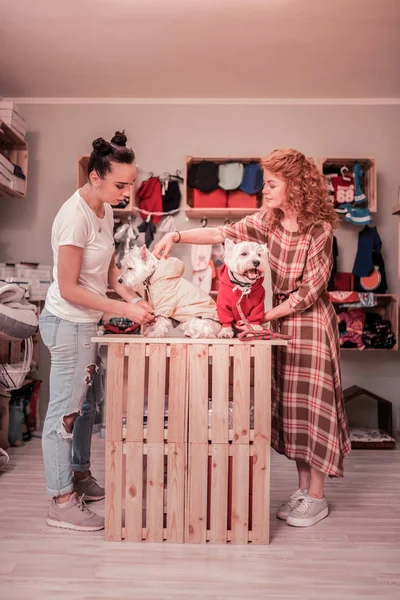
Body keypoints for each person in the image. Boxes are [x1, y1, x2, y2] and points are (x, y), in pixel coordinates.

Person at [154, 149, 351, 528]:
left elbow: (310, 291)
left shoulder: (319, 231)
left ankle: (318, 496)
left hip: (311, 326)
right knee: (290, 408)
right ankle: (302, 487)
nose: (265, 189)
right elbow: (220, 232)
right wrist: (176, 234)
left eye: (272, 184)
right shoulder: (268, 221)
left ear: (295, 186)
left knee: (313, 405)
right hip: (278, 324)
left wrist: (261, 317)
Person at [39, 131, 154, 531]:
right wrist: (124, 308)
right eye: (120, 184)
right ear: (94, 177)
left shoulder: (103, 209)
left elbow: (103, 268)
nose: (127, 191)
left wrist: (128, 290)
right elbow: (70, 287)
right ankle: (61, 500)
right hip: (67, 322)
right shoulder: (74, 218)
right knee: (65, 414)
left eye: (131, 183)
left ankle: (80, 476)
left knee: (89, 404)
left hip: (86, 321)